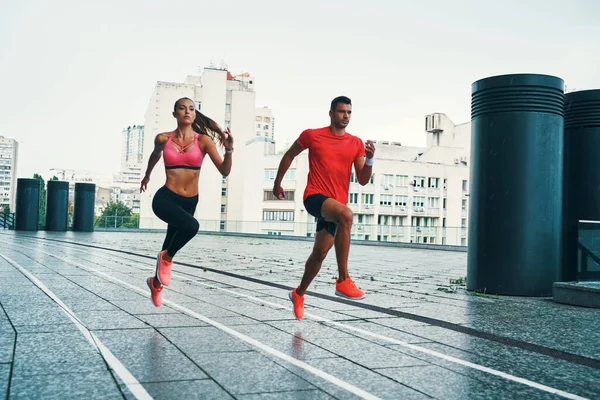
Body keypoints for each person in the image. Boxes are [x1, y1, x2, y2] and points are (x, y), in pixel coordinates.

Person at [273, 96, 375, 320]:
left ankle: (298, 294)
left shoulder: (356, 143)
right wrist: (277, 182)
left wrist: (369, 160)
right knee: (347, 215)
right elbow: (289, 155)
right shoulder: (313, 135)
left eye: (349, 112)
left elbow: (364, 179)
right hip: (314, 197)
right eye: (341, 112)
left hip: (334, 208)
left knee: (319, 254)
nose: (345, 116)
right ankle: (343, 279)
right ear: (331, 113)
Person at [140, 97, 234, 307]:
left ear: (194, 114)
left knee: (169, 243)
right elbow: (154, 156)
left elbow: (225, 171)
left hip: (190, 201)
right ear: (175, 114)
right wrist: (147, 176)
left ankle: (155, 283)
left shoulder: (203, 141)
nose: (187, 112)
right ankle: (167, 259)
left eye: (191, 109)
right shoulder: (163, 139)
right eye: (182, 109)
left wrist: (228, 150)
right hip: (166, 198)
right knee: (191, 227)